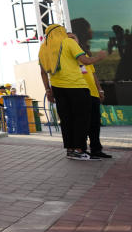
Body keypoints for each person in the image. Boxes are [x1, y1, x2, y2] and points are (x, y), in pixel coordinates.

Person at [39, 23, 106, 161]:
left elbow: (43, 72)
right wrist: (99, 57)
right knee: (81, 119)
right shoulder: (68, 42)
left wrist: (48, 89)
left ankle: (70, 150)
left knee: (66, 119)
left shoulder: (43, 48)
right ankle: (79, 150)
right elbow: (85, 60)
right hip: (76, 86)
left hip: (57, 88)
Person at [70, 20, 112, 160]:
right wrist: (99, 57)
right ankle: (80, 150)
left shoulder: (84, 54)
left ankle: (96, 149)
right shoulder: (68, 57)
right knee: (83, 123)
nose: (72, 40)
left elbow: (93, 74)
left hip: (93, 93)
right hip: (80, 93)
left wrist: (100, 90)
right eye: (69, 38)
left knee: (95, 124)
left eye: (74, 38)